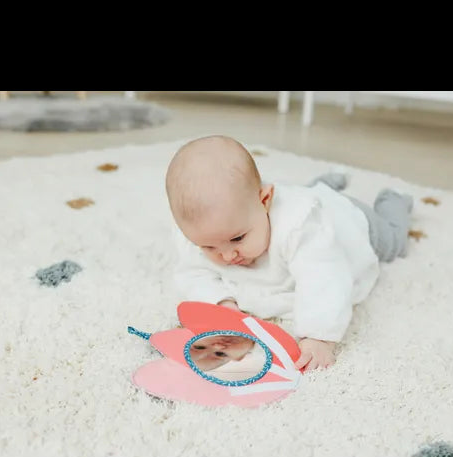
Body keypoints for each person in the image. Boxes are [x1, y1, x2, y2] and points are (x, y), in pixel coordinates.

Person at [165, 135, 413, 371]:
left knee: (394, 242)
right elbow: (192, 272)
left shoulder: (300, 227)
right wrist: (222, 303)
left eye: (237, 238)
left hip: (348, 220)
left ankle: (394, 200)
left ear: (265, 201)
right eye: (209, 247)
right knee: (305, 193)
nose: (228, 256)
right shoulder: (204, 231)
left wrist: (318, 336)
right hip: (300, 198)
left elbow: (324, 278)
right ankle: (324, 184)